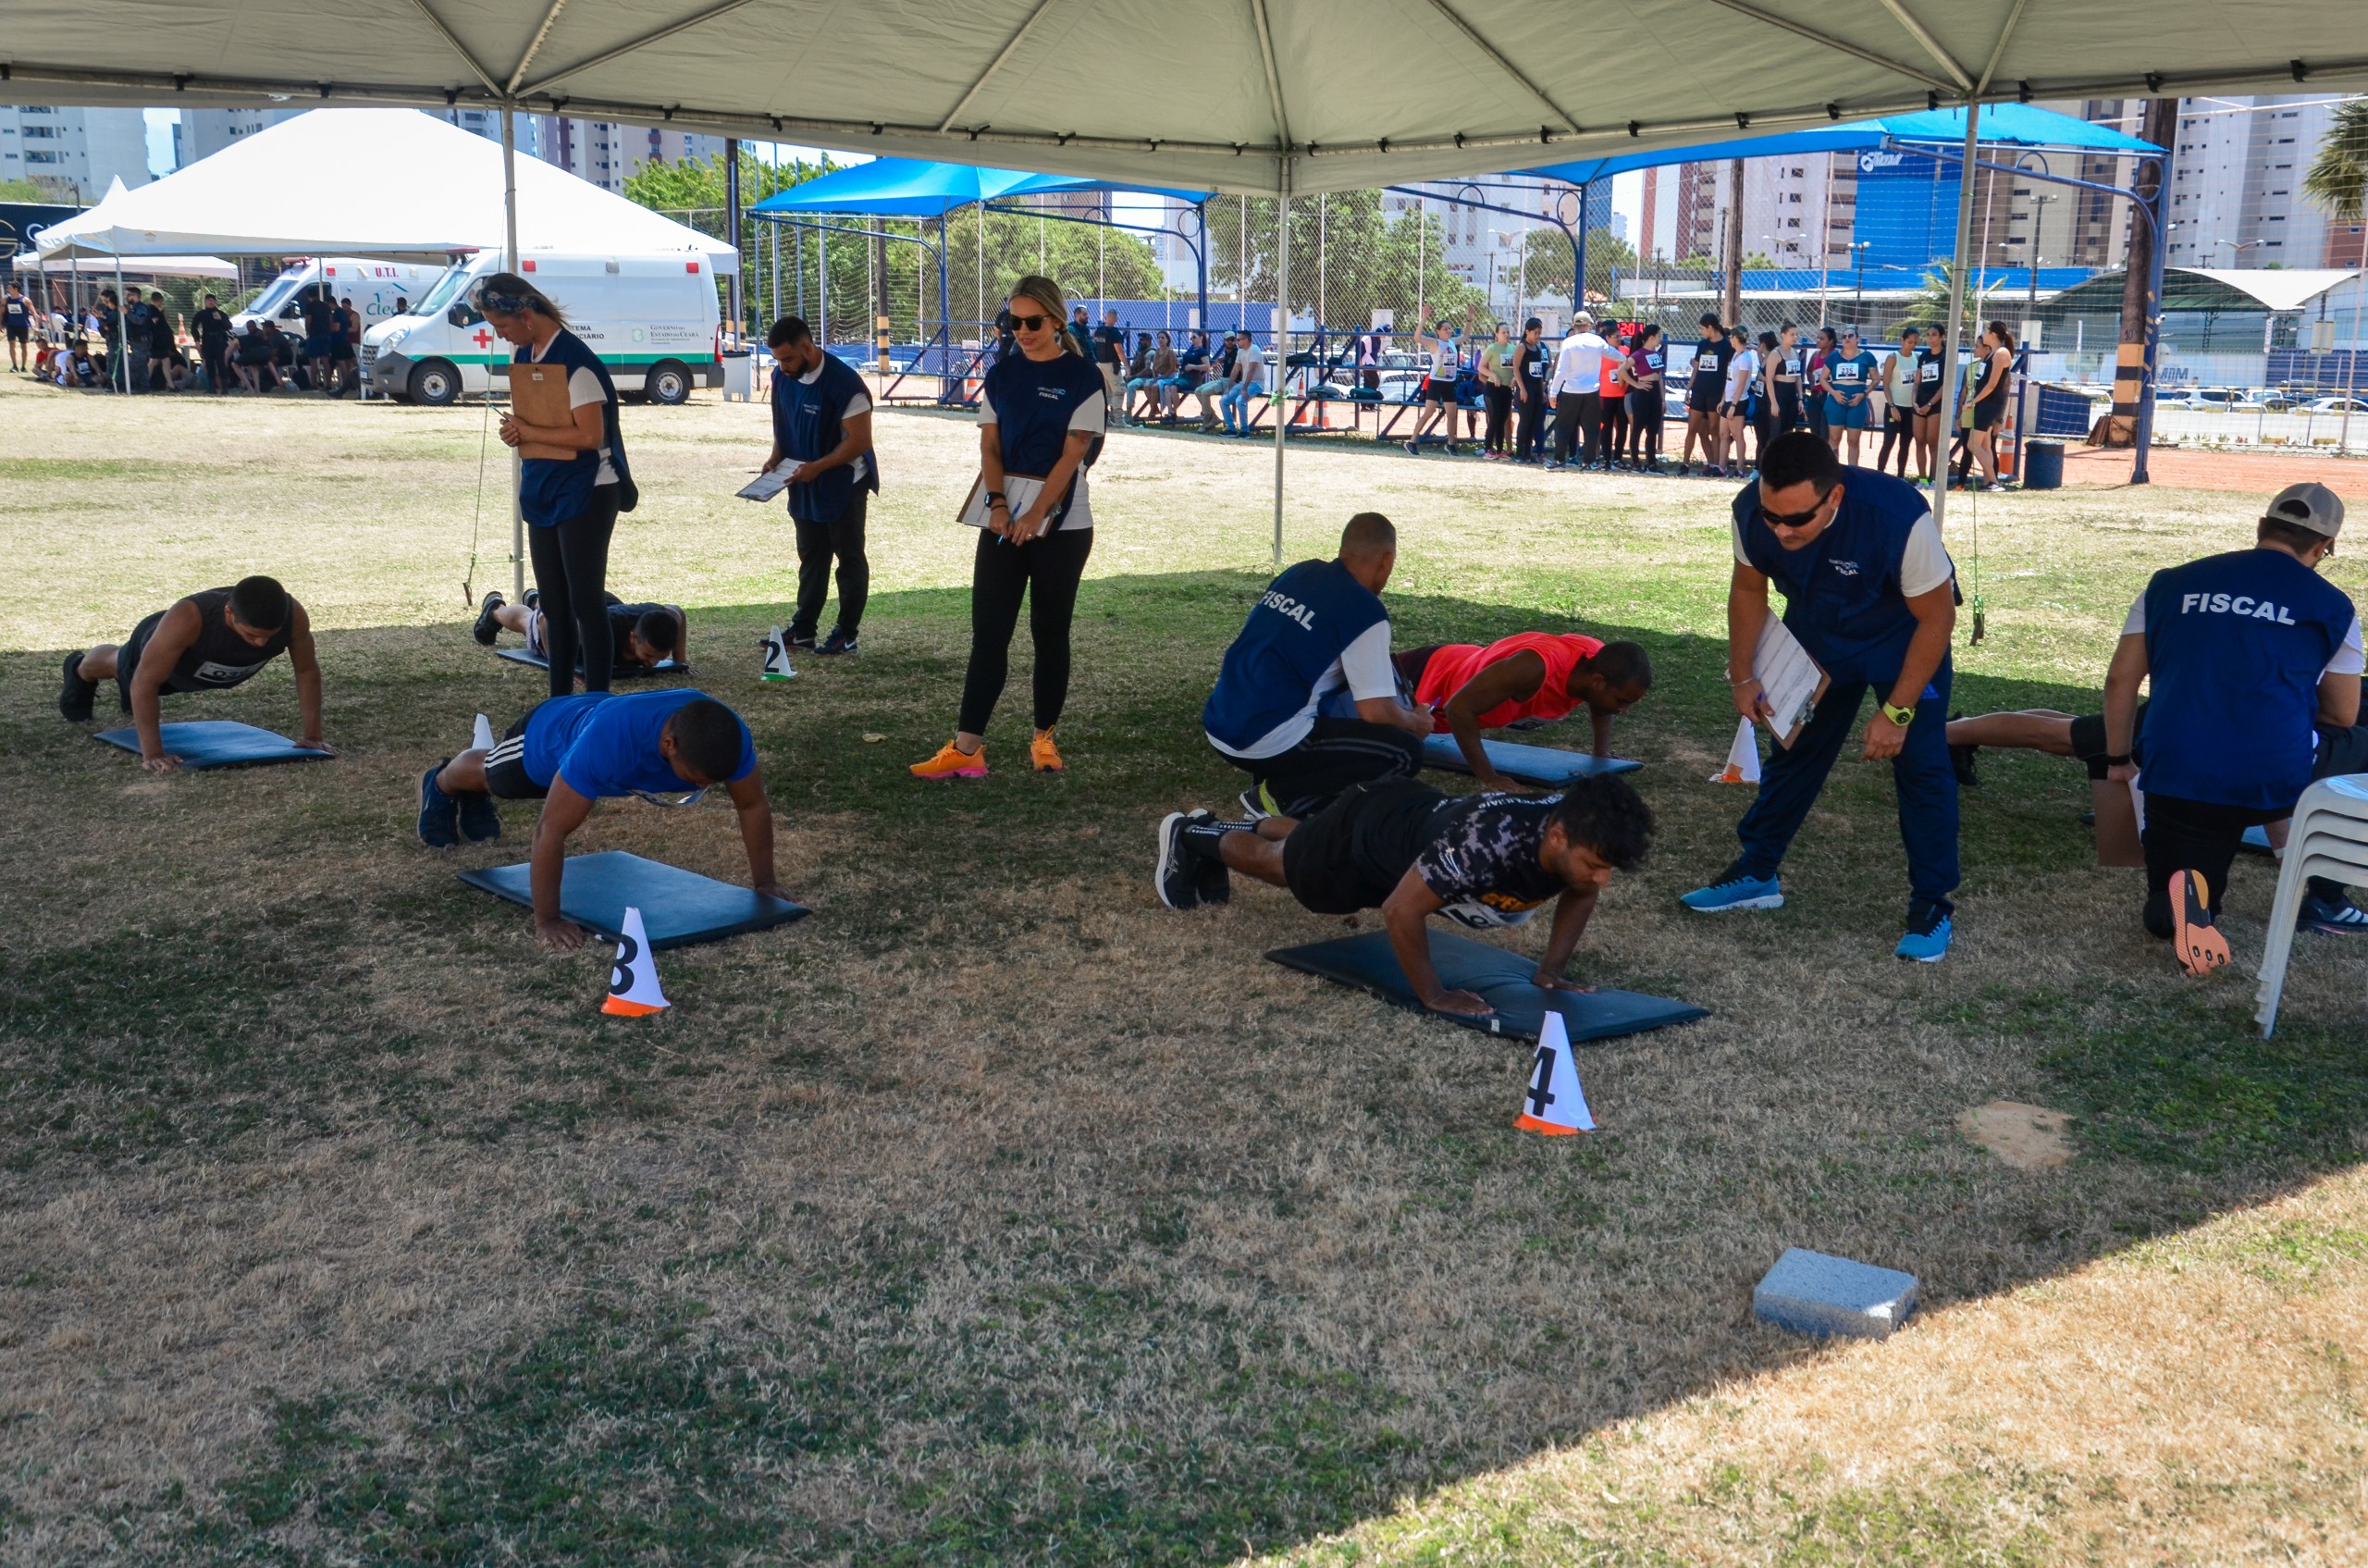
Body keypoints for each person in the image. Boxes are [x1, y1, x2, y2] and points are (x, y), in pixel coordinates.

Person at [1681, 432, 1961, 961]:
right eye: (1772, 517)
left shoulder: (1898, 517)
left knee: (1921, 766)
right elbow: (1747, 588)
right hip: (1818, 633)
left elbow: (1938, 618)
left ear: (1834, 498)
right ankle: (1757, 872)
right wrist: (1742, 675)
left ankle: (1932, 904)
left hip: (1902, 638)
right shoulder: (1749, 511)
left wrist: (1897, 712)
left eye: (1796, 519)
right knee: (1794, 749)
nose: (1781, 530)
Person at [2099, 483, 2366, 972]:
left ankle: (2181, 902)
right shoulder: (2333, 606)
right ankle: (2321, 886)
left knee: (2171, 895)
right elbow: (2343, 714)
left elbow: (2121, 679)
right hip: (2271, 777)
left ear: (2261, 528)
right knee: (2358, 736)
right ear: (2323, 547)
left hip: (2175, 764)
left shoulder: (2168, 582)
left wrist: (2119, 759)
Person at [1153, 774, 1656, 1017]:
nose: (1601, 879)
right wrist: (1434, 995)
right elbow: (1400, 910)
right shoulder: (1486, 845)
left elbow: (1582, 890)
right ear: (1558, 837)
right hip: (1368, 837)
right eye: (1595, 864)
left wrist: (1550, 972)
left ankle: (1257, 825)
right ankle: (1192, 836)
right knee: (1281, 867)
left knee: (1304, 839)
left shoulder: (1574, 833)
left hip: (1409, 818)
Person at [911, 274, 1105, 781]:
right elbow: (990, 447)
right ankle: (968, 748)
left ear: (1057, 321)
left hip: (1063, 526)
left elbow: (1075, 454)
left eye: (1032, 322)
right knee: (989, 634)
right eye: (1013, 321)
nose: (1022, 330)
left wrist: (1037, 513)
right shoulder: (1001, 375)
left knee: (1050, 631)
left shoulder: (1085, 378)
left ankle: (1044, 738)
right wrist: (998, 507)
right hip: (1001, 520)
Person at [418, 689, 785, 952]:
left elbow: (751, 806)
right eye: (695, 778)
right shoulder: (608, 743)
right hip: (551, 734)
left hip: (602, 718)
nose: (703, 786)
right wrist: (547, 920)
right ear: (669, 743)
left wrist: (765, 883)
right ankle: (442, 782)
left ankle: (471, 796)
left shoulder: (729, 737)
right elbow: (552, 830)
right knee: (494, 774)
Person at [1202, 512, 1434, 821]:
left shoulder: (1299, 573)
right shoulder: (1366, 611)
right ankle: (1278, 799)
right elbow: (1375, 711)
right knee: (1404, 752)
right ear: (1386, 560)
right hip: (1267, 739)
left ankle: (1274, 785)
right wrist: (1415, 722)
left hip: (1219, 723)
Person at [484, 270, 635, 700]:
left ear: (527, 315)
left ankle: (597, 700)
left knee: (586, 603)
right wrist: (516, 432)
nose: (502, 335)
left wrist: (528, 432)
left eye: (503, 325)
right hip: (543, 489)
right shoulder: (525, 356)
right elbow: (536, 426)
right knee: (552, 604)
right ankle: (559, 701)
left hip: (589, 491)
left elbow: (590, 437)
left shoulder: (577, 362)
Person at [57, 576, 331, 770]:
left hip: (204, 670)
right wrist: (153, 753)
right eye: (252, 635)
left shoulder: (293, 616)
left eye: (268, 637)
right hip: (160, 653)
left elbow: (306, 671)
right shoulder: (188, 618)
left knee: (137, 686)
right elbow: (145, 681)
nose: (261, 643)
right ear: (229, 612)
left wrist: (313, 736)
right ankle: (80, 668)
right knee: (117, 665)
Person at [1400, 633, 1655, 790]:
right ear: (1597, 682)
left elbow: (1602, 706)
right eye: (1621, 701)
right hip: (1424, 676)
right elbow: (1458, 708)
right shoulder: (1535, 669)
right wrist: (1489, 777)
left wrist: (1601, 755)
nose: (1625, 710)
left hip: (1460, 665)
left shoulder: (1593, 662)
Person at [762, 314, 876, 656]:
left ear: (808, 348)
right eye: (777, 359)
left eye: (788, 358)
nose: (782, 367)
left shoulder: (846, 384)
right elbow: (784, 425)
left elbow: (859, 441)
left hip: (843, 483)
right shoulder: (782, 378)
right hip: (801, 479)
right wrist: (775, 457)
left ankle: (846, 633)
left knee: (849, 557)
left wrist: (819, 467)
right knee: (811, 555)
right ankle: (803, 628)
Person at [473, 588, 688, 674]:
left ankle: (538, 597)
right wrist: (558, 665)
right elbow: (545, 620)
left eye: (661, 658)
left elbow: (678, 612)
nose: (653, 663)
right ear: (633, 637)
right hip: (578, 619)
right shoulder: (595, 631)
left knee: (553, 603)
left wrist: (681, 662)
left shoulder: (664, 620)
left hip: (607, 604)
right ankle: (495, 610)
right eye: (649, 656)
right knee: (529, 620)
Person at [1547, 310, 1607, 471]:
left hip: (1570, 391)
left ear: (1574, 325)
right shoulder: (1597, 341)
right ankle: (1589, 462)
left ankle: (1559, 461)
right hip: (1591, 392)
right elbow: (1612, 353)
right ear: (1589, 325)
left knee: (1563, 427)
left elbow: (1561, 370)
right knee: (1592, 428)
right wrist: (1626, 359)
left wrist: (1553, 393)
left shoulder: (1568, 342)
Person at [1963, 321, 2015, 491]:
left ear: (1993, 334)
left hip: (1989, 404)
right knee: (1985, 446)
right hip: (1984, 403)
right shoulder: (1992, 353)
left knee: (1972, 444)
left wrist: (1973, 402)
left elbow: (1992, 385)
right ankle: (1989, 482)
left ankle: (1994, 481)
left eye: (1986, 330)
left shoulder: (2001, 353)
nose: (1983, 333)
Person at [1681, 314, 1732, 475]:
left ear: (1710, 327)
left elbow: (1730, 373)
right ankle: (1686, 464)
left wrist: (1724, 397)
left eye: (1702, 328)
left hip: (1715, 393)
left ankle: (1717, 466)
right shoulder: (1702, 344)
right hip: (1699, 390)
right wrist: (1689, 388)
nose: (1701, 331)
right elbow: (1697, 368)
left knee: (1714, 431)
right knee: (1694, 429)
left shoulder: (1726, 345)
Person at [1822, 327, 1881, 465]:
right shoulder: (1834, 356)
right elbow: (1823, 379)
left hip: (1857, 403)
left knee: (1853, 441)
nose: (1847, 338)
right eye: (1844, 336)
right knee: (1834, 439)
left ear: (1857, 339)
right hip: (1836, 402)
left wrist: (1864, 394)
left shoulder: (1867, 356)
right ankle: (1833, 473)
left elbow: (1876, 379)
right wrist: (1834, 392)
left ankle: (1853, 472)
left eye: (1850, 335)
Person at [1406, 320, 1462, 456]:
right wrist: (1424, 317)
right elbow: (1417, 337)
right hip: (1436, 382)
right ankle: (1412, 442)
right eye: (1445, 329)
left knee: (1452, 414)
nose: (1448, 331)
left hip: (1449, 382)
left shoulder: (1452, 342)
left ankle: (1451, 444)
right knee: (1429, 412)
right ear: (1438, 331)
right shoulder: (1435, 343)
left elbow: (1466, 336)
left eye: (1450, 328)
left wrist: (1469, 319)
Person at [1877, 326, 1921, 479]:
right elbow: (1886, 385)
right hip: (1894, 407)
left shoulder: (1917, 358)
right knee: (1889, 442)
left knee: (1905, 444)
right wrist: (1892, 406)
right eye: (1909, 342)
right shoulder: (1893, 358)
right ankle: (1880, 475)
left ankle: (1901, 476)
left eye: (1915, 342)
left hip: (1910, 409)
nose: (1912, 345)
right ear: (1902, 340)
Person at [1623, 324, 1667, 471]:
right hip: (1642, 394)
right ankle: (1635, 462)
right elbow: (1621, 370)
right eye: (1659, 336)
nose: (1660, 339)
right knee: (1637, 428)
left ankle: (1651, 463)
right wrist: (1636, 384)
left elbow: (1659, 377)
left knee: (1653, 430)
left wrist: (1663, 399)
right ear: (1651, 337)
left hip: (1655, 393)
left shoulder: (1658, 354)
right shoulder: (1639, 354)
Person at [1719, 325, 1758, 475]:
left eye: (1731, 337)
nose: (1730, 339)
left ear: (1735, 338)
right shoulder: (1736, 355)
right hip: (1728, 399)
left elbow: (1741, 384)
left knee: (1737, 436)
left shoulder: (1744, 358)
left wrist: (1734, 405)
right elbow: (1729, 380)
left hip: (1738, 401)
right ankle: (1721, 467)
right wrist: (1723, 400)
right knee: (1723, 434)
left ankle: (1740, 469)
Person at [1910, 325, 1945, 486]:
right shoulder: (1924, 356)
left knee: (1933, 442)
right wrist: (1914, 401)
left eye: (1934, 335)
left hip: (1936, 404)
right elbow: (1917, 382)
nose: (1930, 338)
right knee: (1919, 441)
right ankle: (1922, 479)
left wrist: (1931, 403)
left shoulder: (1946, 356)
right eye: (1928, 335)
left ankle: (1934, 480)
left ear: (1942, 337)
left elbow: (1946, 384)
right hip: (1920, 402)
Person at [1513, 316, 1551, 463]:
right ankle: (1520, 453)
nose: (1537, 336)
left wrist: (1541, 390)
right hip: (1526, 389)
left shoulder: (1538, 347)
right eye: (1535, 333)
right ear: (1527, 332)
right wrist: (1521, 388)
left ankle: (1528, 453)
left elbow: (1539, 371)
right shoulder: (1522, 347)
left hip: (1536, 388)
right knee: (1525, 421)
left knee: (1535, 421)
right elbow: (1515, 368)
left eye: (1539, 333)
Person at [1477, 322, 1516, 461]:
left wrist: (1515, 379)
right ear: (1497, 335)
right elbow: (1481, 367)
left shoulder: (1513, 348)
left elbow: (1517, 369)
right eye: (1503, 332)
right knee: (1494, 419)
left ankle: (1500, 450)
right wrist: (1492, 375)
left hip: (1506, 389)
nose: (1506, 335)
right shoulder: (1492, 348)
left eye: (1508, 332)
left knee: (1502, 419)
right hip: (1493, 388)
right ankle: (1488, 449)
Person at [1221, 331, 1265, 437]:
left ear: (1246, 340)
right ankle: (1231, 429)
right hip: (1243, 383)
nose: (1237, 342)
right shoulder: (1240, 352)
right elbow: (1235, 370)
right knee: (1224, 400)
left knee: (1240, 401)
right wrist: (1229, 387)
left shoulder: (1255, 349)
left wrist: (1244, 389)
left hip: (1256, 384)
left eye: (1239, 339)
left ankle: (1245, 431)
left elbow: (1252, 370)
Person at [1598, 326, 1631, 470]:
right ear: (1607, 338)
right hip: (1606, 395)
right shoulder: (1601, 353)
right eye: (1616, 336)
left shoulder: (1625, 351)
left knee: (1622, 427)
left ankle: (1618, 458)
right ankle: (1606, 459)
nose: (1619, 339)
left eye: (1620, 336)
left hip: (1622, 395)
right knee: (1606, 428)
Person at [1191, 332, 1236, 430]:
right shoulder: (1228, 352)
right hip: (1223, 380)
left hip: (1231, 382)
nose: (1230, 342)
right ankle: (1213, 417)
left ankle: (1207, 419)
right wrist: (1223, 360)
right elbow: (1229, 360)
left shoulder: (1237, 352)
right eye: (1228, 340)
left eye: (1232, 340)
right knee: (1198, 391)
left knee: (1205, 392)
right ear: (1224, 341)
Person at [299, 286, 338, 394]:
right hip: (326, 335)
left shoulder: (310, 306)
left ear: (309, 296)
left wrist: (308, 332)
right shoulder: (326, 306)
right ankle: (328, 384)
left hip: (315, 335)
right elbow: (330, 320)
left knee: (313, 360)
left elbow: (308, 321)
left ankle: (314, 384)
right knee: (325, 360)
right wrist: (329, 331)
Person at [1769, 321, 1805, 435]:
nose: (1795, 337)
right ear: (1783, 335)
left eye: (1796, 334)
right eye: (1792, 334)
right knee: (1777, 432)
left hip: (1791, 396)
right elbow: (1769, 379)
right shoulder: (1775, 354)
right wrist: (1773, 403)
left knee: (1789, 432)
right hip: (1780, 395)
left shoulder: (1795, 353)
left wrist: (1800, 398)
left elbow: (1798, 377)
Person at [192, 293, 233, 394]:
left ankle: (224, 388)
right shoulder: (201, 314)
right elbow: (194, 328)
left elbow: (229, 326)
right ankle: (211, 388)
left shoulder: (221, 314)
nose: (211, 302)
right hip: (207, 341)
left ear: (215, 302)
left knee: (221, 364)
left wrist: (221, 319)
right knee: (209, 364)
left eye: (212, 300)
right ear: (205, 302)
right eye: (208, 300)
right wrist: (197, 341)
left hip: (219, 342)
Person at [1805, 326, 1837, 444]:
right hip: (1815, 395)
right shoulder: (1816, 355)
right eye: (1818, 338)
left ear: (1830, 341)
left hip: (1829, 396)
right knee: (1814, 430)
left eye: (1822, 338)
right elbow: (1809, 370)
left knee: (1826, 432)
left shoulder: (1836, 355)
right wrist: (1812, 383)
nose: (1818, 340)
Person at [1092, 307, 1128, 411]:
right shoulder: (1114, 333)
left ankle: (1105, 419)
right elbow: (1119, 351)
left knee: (1106, 392)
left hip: (1100, 364)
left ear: (1105, 317)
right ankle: (1118, 419)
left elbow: (1094, 341)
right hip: (1111, 365)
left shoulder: (1098, 331)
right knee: (1118, 391)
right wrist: (1127, 366)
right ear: (1116, 319)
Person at [3, 283, 31, 373]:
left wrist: (37, 326)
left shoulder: (25, 300)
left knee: (24, 346)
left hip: (23, 326)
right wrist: (1, 324)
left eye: (10, 288)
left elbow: (34, 312)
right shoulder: (6, 299)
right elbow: (2, 312)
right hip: (11, 325)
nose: (8, 290)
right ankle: (14, 365)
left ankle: (23, 366)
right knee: (12, 344)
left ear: (16, 289)